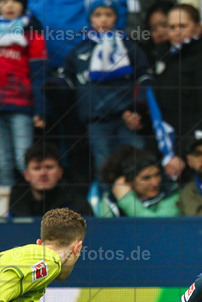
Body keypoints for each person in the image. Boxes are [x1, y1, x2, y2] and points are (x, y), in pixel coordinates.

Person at [64, 0, 148, 177]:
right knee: (105, 168)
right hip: (97, 122)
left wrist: (136, 108)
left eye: (108, 14)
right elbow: (67, 82)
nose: (103, 19)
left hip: (127, 119)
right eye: (98, 14)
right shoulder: (80, 51)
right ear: (90, 19)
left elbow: (144, 79)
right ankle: (107, 203)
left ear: (116, 18)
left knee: (136, 164)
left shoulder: (129, 48)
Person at [0, 0, 47, 187]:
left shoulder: (32, 34)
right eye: (4, 1)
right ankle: (4, 212)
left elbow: (39, 75)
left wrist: (41, 109)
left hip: (21, 106)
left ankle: (33, 205)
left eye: (16, 1)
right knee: (2, 163)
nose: (10, 5)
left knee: (24, 160)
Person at [148, 3, 202, 179]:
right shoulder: (168, 56)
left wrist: (183, 153)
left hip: (193, 151)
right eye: (172, 27)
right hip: (168, 148)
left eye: (183, 26)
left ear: (198, 26)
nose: (177, 32)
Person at [10, 141, 91, 217]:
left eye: (49, 167)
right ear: (26, 175)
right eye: (37, 168)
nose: (43, 173)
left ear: (60, 172)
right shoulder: (12, 204)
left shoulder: (77, 204)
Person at [97, 148, 179, 217]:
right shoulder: (110, 199)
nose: (155, 183)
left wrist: (126, 200)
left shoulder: (171, 194)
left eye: (157, 175)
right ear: (129, 181)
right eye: (146, 178)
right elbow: (104, 232)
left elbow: (156, 228)